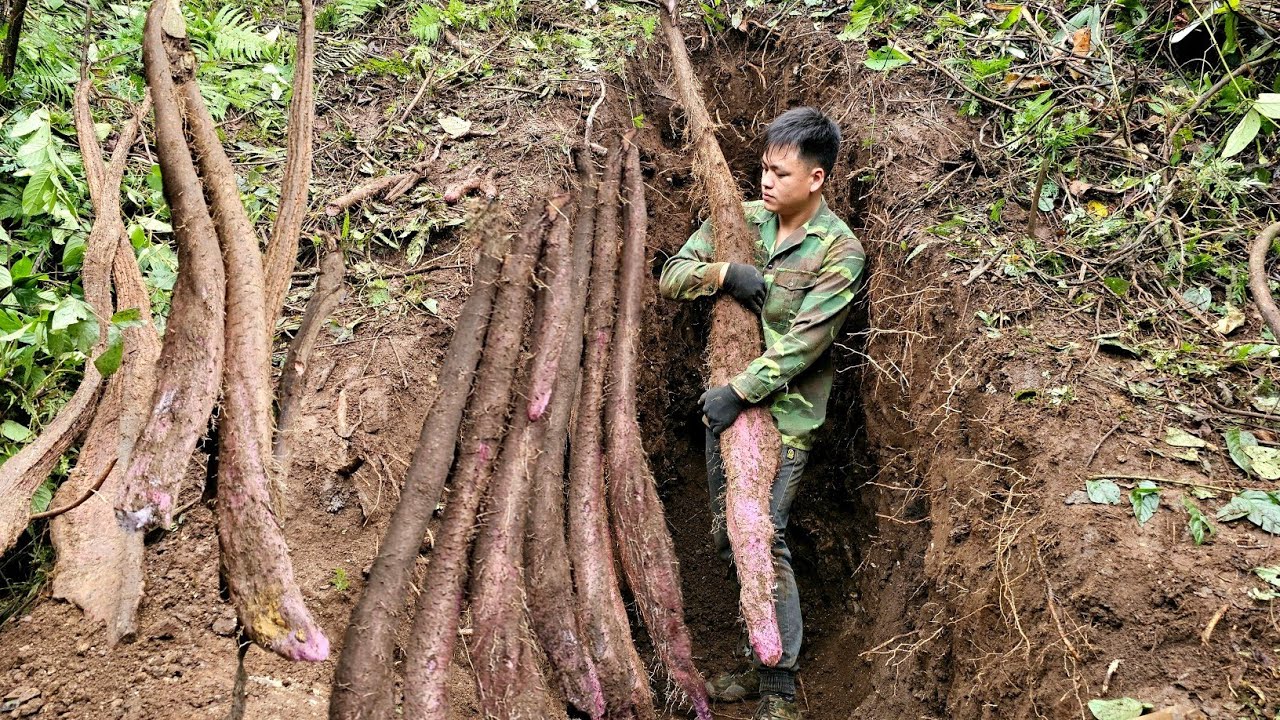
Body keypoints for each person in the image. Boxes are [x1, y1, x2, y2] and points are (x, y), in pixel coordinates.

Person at [657, 107, 865, 720]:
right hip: (729, 413)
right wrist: (724, 271)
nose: (767, 182)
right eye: (763, 169)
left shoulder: (839, 252)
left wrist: (739, 391)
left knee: (763, 540)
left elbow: (806, 343)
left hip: (784, 417)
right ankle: (759, 660)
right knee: (729, 537)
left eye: (780, 171)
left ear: (817, 178)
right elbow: (672, 274)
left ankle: (780, 692)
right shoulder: (741, 222)